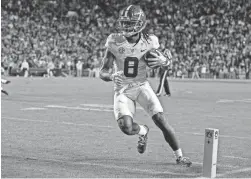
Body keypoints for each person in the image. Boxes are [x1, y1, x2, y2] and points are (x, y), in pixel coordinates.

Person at [99, 5, 192, 167]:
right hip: (122, 90)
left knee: (161, 119)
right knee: (126, 127)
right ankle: (143, 131)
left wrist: (166, 61)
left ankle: (179, 156)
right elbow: (103, 71)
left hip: (141, 86)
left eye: (131, 23)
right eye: (125, 23)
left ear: (140, 24)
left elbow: (164, 63)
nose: (126, 26)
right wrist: (111, 77)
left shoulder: (150, 41)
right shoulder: (114, 40)